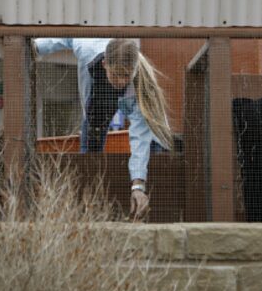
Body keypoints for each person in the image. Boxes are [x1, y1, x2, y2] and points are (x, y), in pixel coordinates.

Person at [33, 38, 172, 219]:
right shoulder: (87, 48)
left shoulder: (140, 89)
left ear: (134, 69)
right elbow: (69, 36)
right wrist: (38, 47)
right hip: (97, 102)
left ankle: (144, 208)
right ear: (105, 64)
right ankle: (85, 212)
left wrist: (138, 186)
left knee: (154, 149)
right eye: (116, 75)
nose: (121, 81)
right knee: (90, 148)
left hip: (146, 124)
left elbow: (139, 140)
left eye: (126, 76)